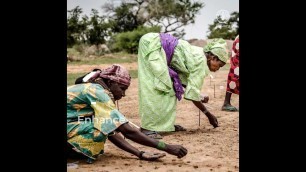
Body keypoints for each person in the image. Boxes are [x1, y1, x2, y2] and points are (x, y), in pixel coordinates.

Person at [67, 64, 188, 164]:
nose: (123, 94)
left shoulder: (94, 89)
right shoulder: (96, 92)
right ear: (110, 83)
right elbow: (127, 131)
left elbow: (110, 129)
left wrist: (139, 153)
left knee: (98, 124)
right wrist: (166, 147)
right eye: (122, 88)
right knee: (96, 130)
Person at [137, 32, 229, 139]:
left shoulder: (200, 54)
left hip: (154, 43)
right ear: (213, 58)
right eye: (219, 65)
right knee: (158, 88)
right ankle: (147, 129)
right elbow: (191, 94)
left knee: (171, 89)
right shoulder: (201, 63)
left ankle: (164, 126)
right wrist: (209, 115)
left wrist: (198, 95)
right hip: (154, 45)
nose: (218, 69)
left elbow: (187, 86)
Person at [221, 35, 239, 112]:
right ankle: (226, 103)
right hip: (237, 60)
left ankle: (226, 103)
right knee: (234, 77)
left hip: (236, 60)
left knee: (234, 77)